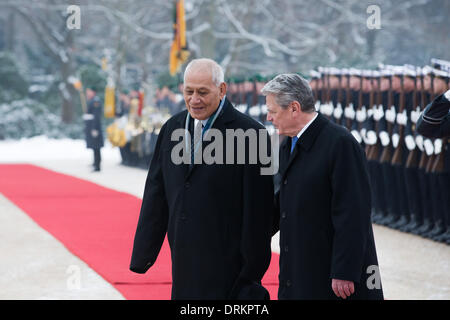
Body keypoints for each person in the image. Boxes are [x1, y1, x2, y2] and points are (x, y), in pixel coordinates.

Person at [129, 58, 274, 299]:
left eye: (203, 92)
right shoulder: (171, 129)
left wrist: (252, 270)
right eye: (189, 91)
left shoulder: (251, 134)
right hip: (184, 256)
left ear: (222, 90)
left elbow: (259, 210)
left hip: (230, 264)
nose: (194, 99)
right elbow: (156, 191)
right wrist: (144, 253)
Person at [262, 73, 384, 300]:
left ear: (294, 108)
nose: (269, 117)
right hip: (300, 266)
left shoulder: (339, 144)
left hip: (332, 274)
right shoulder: (289, 142)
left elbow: (353, 212)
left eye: (273, 111)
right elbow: (286, 200)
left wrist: (345, 270)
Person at [83, 87, 104, 172]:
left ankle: (97, 165)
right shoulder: (91, 101)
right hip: (91, 126)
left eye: (89, 91)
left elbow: (96, 116)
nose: (87, 93)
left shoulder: (96, 101)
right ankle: (95, 163)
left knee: (96, 146)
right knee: (94, 146)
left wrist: (95, 128)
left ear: (93, 92)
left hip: (95, 127)